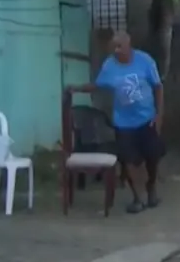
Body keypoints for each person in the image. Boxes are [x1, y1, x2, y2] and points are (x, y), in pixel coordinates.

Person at [66, 32, 165, 214]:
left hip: (146, 118)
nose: (116, 51)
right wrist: (78, 88)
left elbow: (158, 87)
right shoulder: (110, 66)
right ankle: (137, 198)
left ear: (129, 45)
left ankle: (151, 187)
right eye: (114, 47)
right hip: (124, 123)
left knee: (153, 157)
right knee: (127, 160)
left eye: (120, 47)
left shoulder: (145, 61)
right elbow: (98, 85)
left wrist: (159, 114)